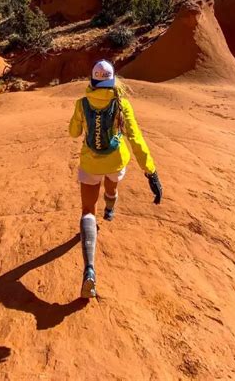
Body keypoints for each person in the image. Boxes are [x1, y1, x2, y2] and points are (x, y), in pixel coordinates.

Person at [69, 59, 162, 299]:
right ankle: (110, 209)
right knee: (111, 188)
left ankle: (89, 269)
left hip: (90, 163)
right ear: (112, 81)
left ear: (92, 80)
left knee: (88, 210)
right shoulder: (122, 104)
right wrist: (150, 172)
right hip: (115, 161)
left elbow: (73, 133)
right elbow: (136, 139)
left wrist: (80, 117)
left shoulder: (82, 103)